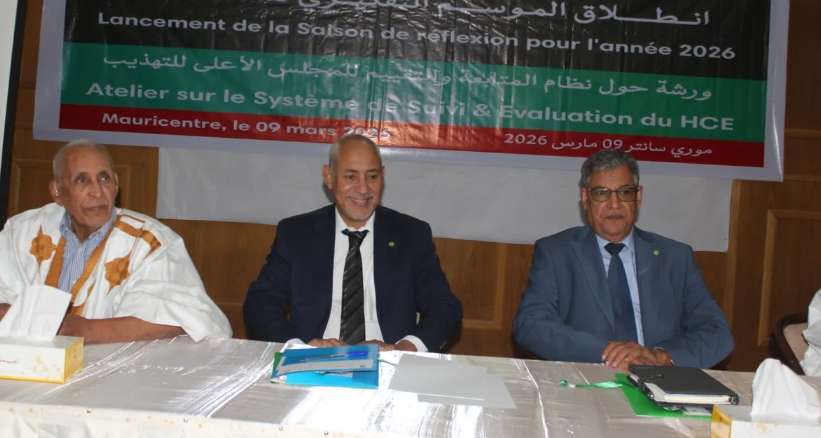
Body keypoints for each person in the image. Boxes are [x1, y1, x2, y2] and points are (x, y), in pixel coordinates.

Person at [0, 139, 231, 343]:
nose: (97, 192)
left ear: (116, 184)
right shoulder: (27, 230)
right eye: (81, 180)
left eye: (104, 178)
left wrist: (87, 331)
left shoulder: (149, 241)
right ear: (57, 192)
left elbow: (185, 317)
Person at [513, 149, 733, 369]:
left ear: (638, 197)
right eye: (602, 193)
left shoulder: (675, 257)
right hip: (588, 376)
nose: (614, 204)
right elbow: (531, 325)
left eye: (625, 192)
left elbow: (717, 333)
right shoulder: (557, 253)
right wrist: (608, 352)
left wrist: (661, 356)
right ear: (586, 198)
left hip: (660, 378)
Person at [243, 135, 462, 352]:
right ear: (329, 177)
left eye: (372, 176)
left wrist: (404, 347)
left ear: (383, 176)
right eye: (350, 177)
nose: (363, 189)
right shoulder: (296, 234)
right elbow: (261, 302)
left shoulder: (411, 234)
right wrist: (299, 348)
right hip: (313, 358)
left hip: (388, 360)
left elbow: (444, 307)